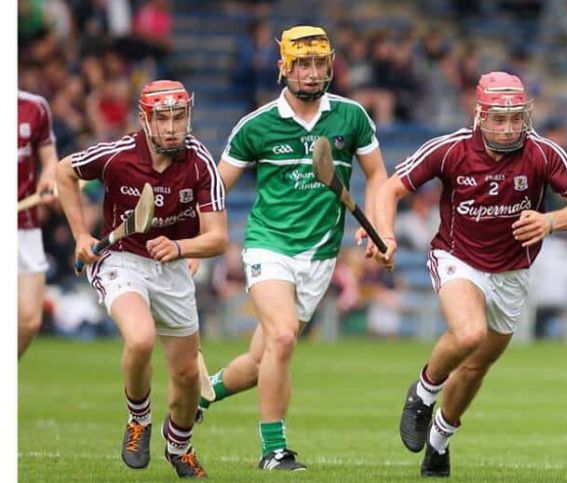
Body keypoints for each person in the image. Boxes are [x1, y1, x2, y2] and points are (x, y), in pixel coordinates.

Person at [371, 71, 567, 477]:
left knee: (476, 367)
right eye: (499, 118)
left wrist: (550, 222)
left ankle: (439, 442)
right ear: (479, 115)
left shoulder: (543, 153)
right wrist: (385, 234)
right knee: (469, 333)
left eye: (516, 118)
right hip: (458, 257)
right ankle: (422, 394)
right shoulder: (451, 149)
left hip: (512, 272)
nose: (509, 128)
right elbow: (390, 189)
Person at [199, 25, 388, 471]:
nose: (311, 72)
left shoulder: (351, 117)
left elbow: (378, 176)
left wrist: (382, 228)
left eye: (320, 62)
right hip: (269, 246)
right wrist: (195, 247)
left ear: (332, 65)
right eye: (302, 63)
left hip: (319, 256)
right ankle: (274, 451)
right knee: (283, 337)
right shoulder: (257, 126)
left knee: (263, 356)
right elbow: (214, 190)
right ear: (284, 67)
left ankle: (201, 393)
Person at [55, 80, 227, 479]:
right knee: (140, 337)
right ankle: (139, 420)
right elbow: (65, 172)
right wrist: (82, 233)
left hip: (172, 266)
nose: (171, 128)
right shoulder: (118, 155)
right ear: (145, 119)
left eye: (179, 117)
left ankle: (179, 446)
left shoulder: (201, 161)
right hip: (122, 258)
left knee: (186, 375)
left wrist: (183, 249)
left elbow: (217, 237)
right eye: (162, 118)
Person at [18, 90, 60, 358]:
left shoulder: (35, 107)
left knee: (29, 320)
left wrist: (48, 179)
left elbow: (49, 161)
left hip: (24, 227)